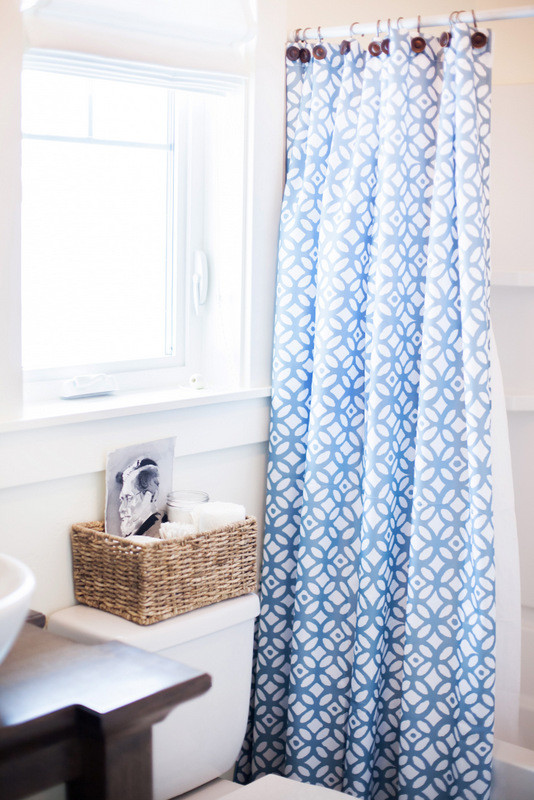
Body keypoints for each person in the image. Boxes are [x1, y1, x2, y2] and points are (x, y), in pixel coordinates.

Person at [116, 458, 164, 537]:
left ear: (148, 497)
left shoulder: (156, 532)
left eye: (129, 498)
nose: (121, 509)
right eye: (122, 500)